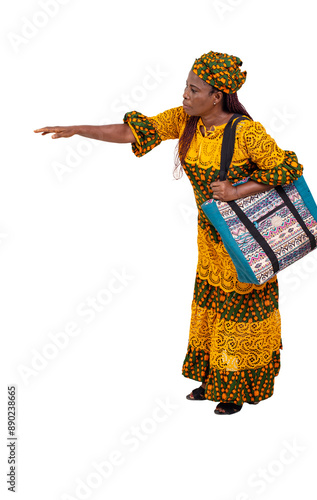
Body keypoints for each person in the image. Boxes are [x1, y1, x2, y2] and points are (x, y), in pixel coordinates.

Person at [34, 51, 303, 415]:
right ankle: (215, 380)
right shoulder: (186, 120)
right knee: (213, 308)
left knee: (240, 313)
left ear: (217, 96)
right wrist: (80, 129)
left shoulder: (246, 132)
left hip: (246, 239)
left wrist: (237, 191)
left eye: (194, 90)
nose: (185, 96)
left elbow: (287, 169)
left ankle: (236, 389)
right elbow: (133, 131)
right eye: (186, 88)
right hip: (210, 240)